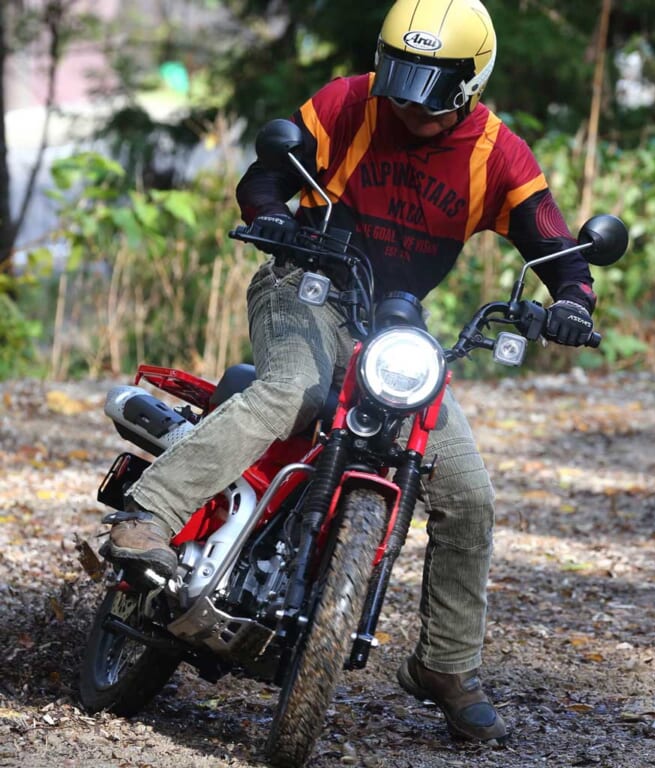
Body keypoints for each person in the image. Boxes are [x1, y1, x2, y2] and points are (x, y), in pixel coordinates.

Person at [105, 0, 597, 745]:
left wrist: (573, 304)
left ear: (469, 82)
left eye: (429, 86)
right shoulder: (347, 102)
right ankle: (150, 514)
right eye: (400, 76)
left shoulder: (497, 154)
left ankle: (446, 665)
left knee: (468, 493)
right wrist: (272, 215)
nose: (406, 100)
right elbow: (264, 177)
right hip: (303, 287)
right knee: (293, 390)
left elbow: (556, 248)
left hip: (393, 332)